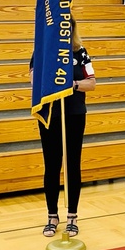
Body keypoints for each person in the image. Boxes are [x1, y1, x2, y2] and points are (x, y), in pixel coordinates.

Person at [32, 19, 96, 237]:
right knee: (51, 165)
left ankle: (72, 216)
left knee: (72, 164)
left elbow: (92, 83)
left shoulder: (81, 53)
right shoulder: (41, 52)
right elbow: (34, 81)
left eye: (67, 27)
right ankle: (52, 216)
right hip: (50, 116)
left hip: (75, 114)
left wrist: (73, 85)